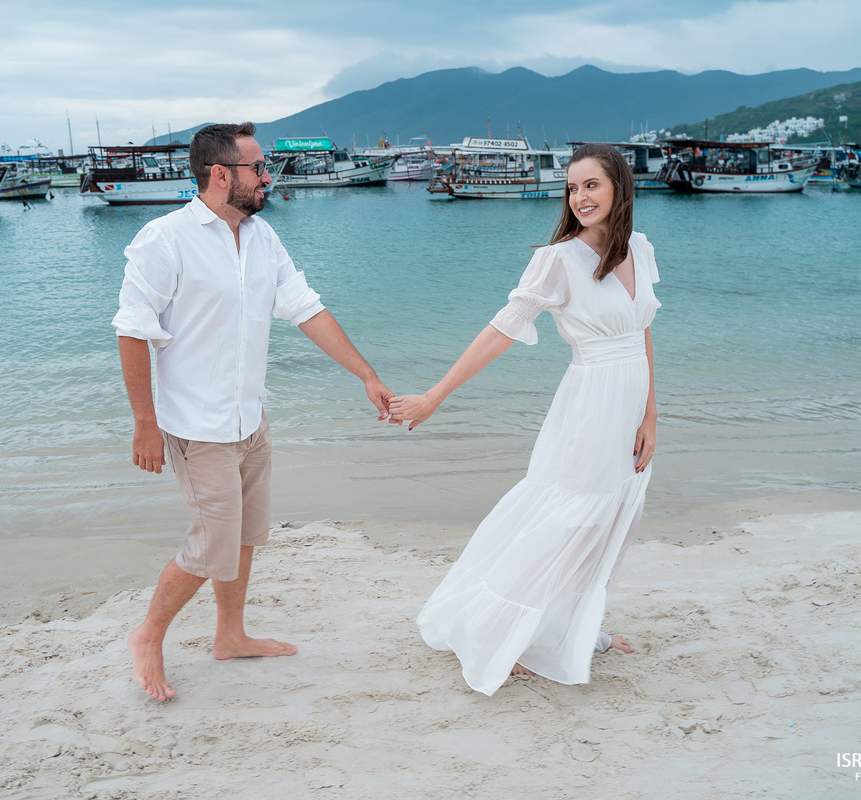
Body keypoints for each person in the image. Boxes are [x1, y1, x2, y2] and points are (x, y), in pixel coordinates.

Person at [114, 122, 394, 701]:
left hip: (250, 420)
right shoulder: (164, 240)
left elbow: (306, 309)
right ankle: (147, 635)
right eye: (258, 168)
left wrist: (365, 374)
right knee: (208, 545)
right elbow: (133, 332)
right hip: (196, 426)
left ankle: (230, 635)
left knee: (243, 537)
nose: (268, 177)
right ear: (221, 175)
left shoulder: (262, 237)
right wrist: (144, 423)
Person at [388, 143, 660, 696]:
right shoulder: (558, 259)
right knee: (568, 521)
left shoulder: (642, 249)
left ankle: (569, 630)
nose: (579, 197)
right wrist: (435, 395)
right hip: (589, 408)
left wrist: (651, 415)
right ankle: (502, 633)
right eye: (573, 186)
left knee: (610, 524)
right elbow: (501, 330)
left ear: (619, 187)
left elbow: (643, 334)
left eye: (591, 185)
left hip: (629, 407)